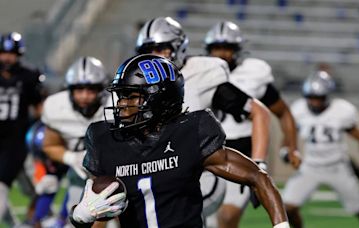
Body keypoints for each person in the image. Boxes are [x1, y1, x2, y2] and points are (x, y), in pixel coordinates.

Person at [70, 54, 289, 228]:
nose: (121, 105)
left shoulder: (190, 133)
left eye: (131, 96)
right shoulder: (107, 141)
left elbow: (258, 177)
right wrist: (80, 216)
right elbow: (93, 205)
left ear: (159, 97)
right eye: (121, 96)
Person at [134, 16, 273, 222]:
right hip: (157, 171)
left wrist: (259, 163)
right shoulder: (136, 83)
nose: (155, 57)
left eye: (161, 48)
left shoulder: (201, 73)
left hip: (202, 173)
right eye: (149, 50)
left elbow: (259, 112)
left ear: (179, 48)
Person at [203, 21, 301, 228]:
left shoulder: (252, 74)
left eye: (227, 48)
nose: (221, 54)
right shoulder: (199, 73)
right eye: (216, 48)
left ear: (237, 50)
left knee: (227, 218)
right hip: (206, 150)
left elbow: (283, 112)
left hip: (242, 151)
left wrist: (291, 145)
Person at [282, 71, 359, 228]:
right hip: (310, 167)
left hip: (337, 167)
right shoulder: (299, 109)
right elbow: (288, 135)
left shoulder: (341, 110)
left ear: (327, 95)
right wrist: (287, 151)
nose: (315, 102)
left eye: (319, 98)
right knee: (288, 207)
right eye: (312, 97)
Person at [41, 56, 110, 219]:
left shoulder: (115, 105)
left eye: (91, 90)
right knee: (80, 219)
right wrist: (72, 158)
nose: (85, 96)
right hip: (81, 174)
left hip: (118, 171)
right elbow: (49, 145)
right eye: (79, 90)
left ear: (101, 90)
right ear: (69, 90)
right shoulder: (56, 107)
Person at [0, 32, 44, 224]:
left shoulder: (29, 76)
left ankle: (39, 218)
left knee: (34, 189)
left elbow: (40, 109)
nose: (6, 58)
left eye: (11, 53)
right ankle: (15, 224)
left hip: (17, 142)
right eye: (3, 53)